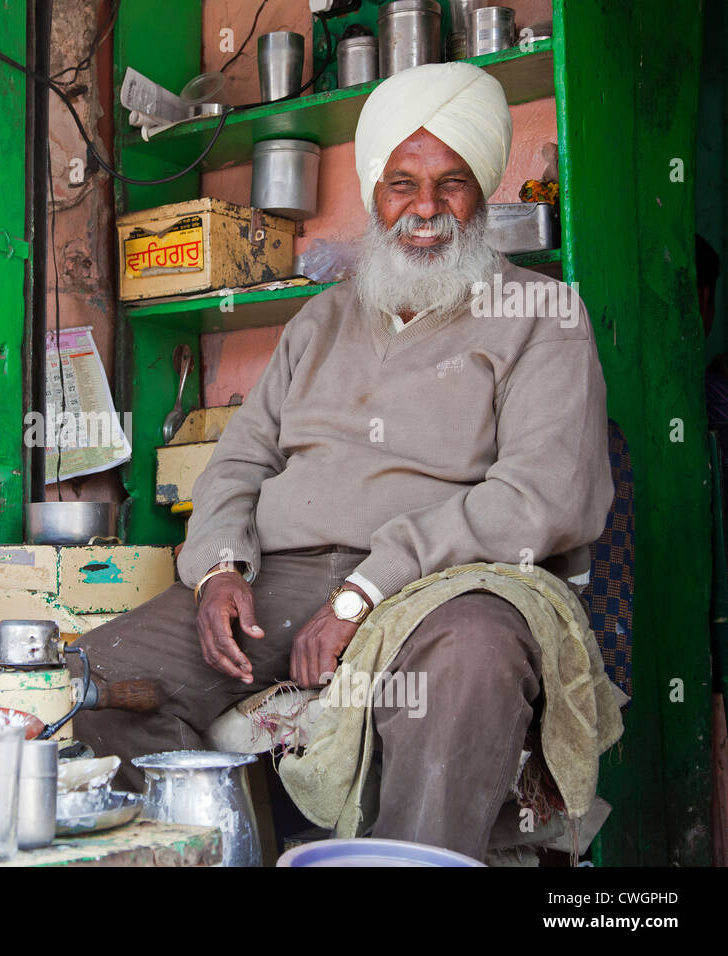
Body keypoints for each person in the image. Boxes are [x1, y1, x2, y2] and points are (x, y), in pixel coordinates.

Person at [73, 61, 614, 860]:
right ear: (373, 194)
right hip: (283, 580)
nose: (424, 210)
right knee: (105, 671)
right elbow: (238, 462)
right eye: (402, 183)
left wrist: (367, 589)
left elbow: (544, 496)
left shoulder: (541, 314)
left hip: (444, 584)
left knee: (470, 660)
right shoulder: (320, 320)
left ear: (483, 192)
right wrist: (222, 567)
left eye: (451, 183)